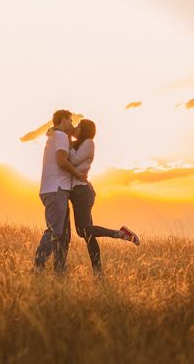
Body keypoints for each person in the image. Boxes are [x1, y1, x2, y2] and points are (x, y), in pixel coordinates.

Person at [66, 118, 140, 277]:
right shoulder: (79, 144)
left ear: (84, 129)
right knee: (89, 235)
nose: (76, 128)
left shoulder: (89, 143)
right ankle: (98, 273)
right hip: (79, 191)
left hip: (82, 192)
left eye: (78, 126)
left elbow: (74, 159)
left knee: (83, 231)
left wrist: (67, 139)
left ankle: (120, 234)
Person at [32, 109, 88, 274]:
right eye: (70, 121)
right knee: (55, 230)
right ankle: (38, 267)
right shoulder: (60, 136)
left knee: (64, 234)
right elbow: (62, 161)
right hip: (56, 189)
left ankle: (60, 271)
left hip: (55, 189)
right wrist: (79, 174)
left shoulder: (55, 135)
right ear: (63, 120)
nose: (72, 124)